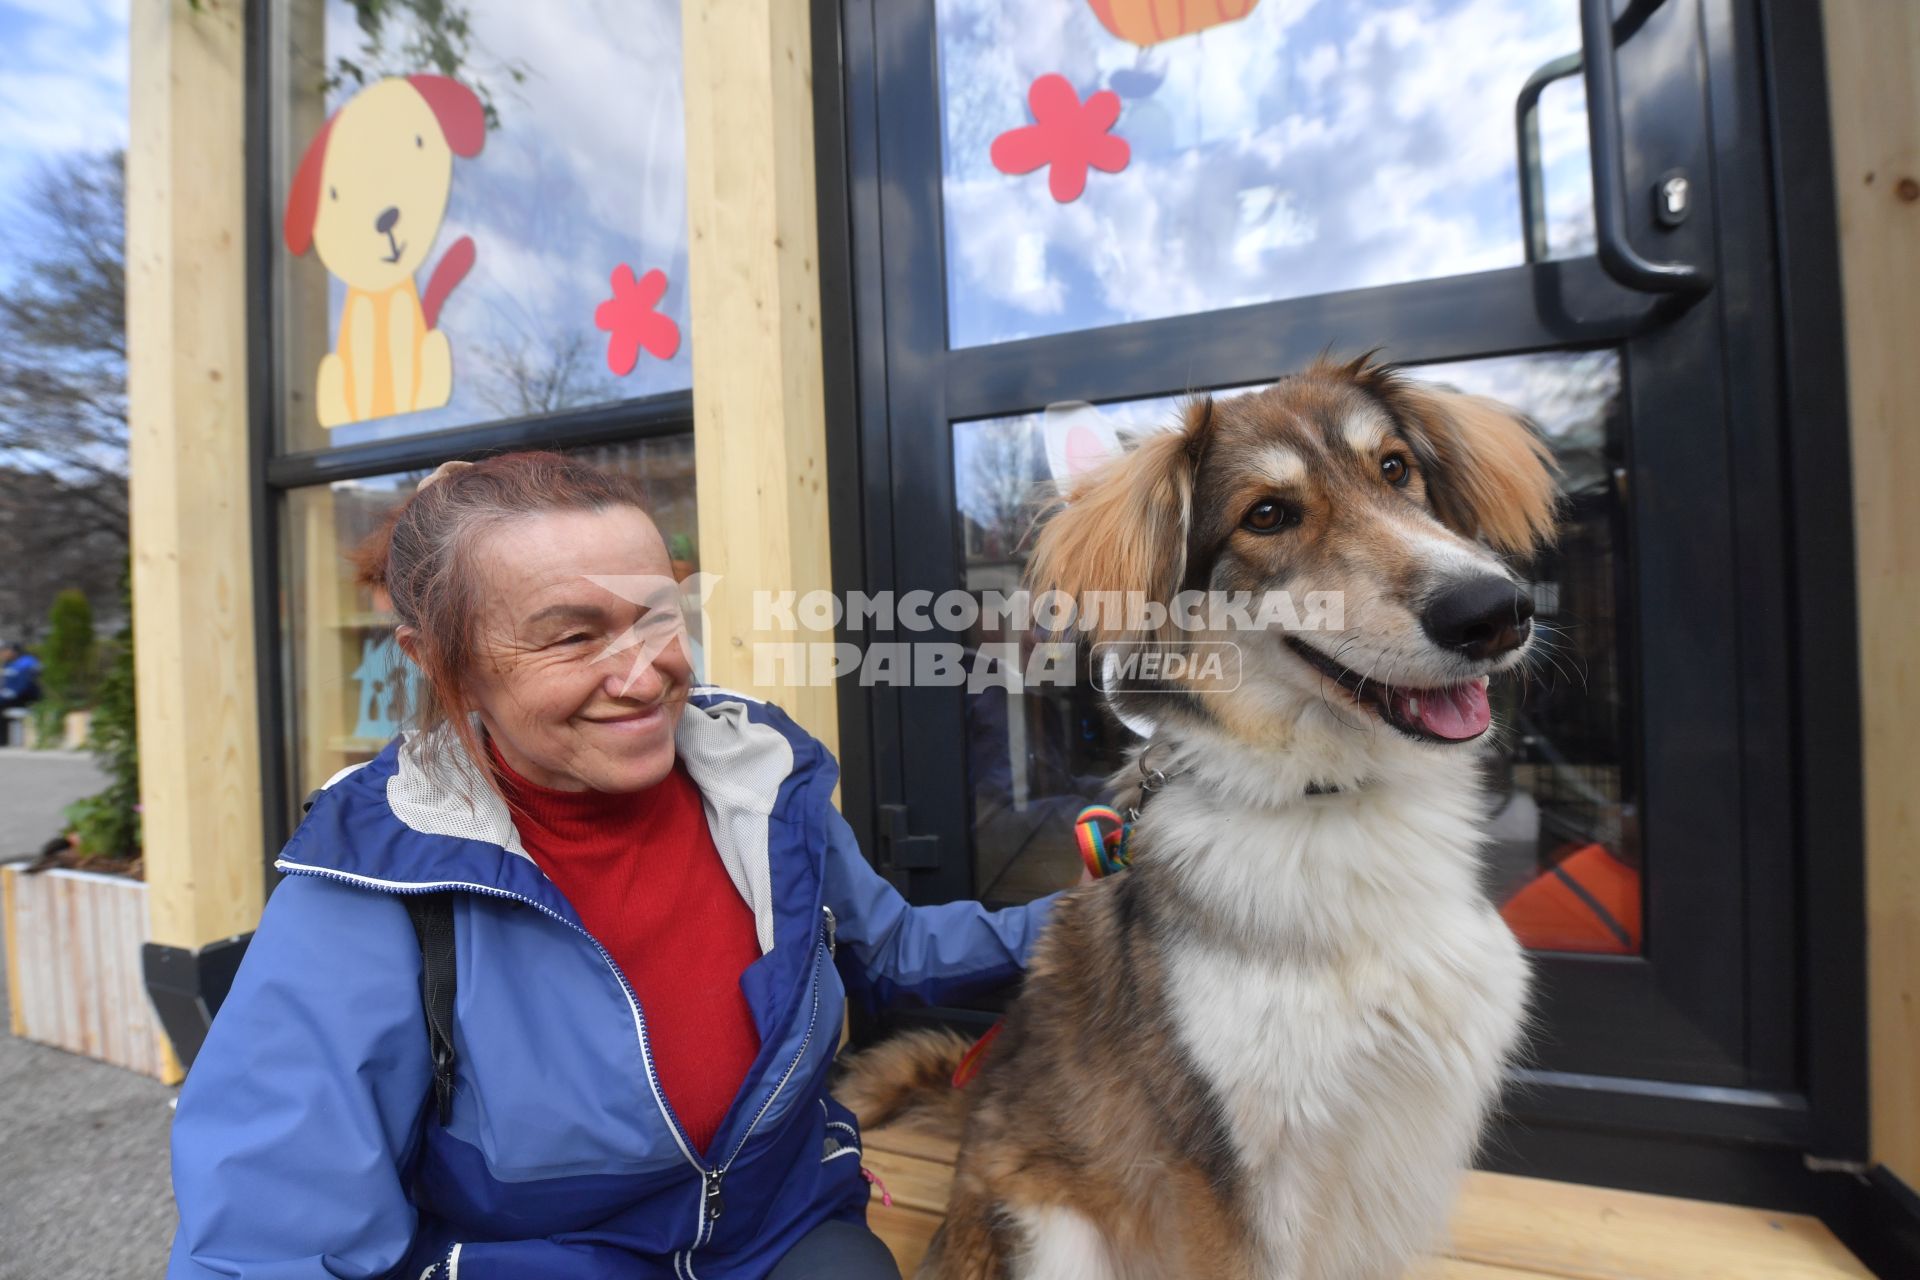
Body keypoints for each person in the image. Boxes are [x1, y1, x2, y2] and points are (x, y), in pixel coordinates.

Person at [167, 452, 1058, 1280]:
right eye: (572, 638)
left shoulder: (755, 782)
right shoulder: (372, 880)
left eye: (657, 618)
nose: (642, 677)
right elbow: (269, 1237)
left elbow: (892, 948)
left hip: (782, 1230)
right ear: (444, 664)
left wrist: (1114, 910)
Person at [0, 641, 41, 714]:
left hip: (24, 697)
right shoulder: (9, 663)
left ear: (12, 651)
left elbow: (23, 684)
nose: (2, 654)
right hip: (10, 695)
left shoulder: (26, 662)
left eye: (4, 650)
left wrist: (8, 693)